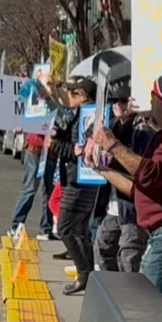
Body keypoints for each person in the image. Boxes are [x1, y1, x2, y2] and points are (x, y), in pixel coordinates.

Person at [90, 72, 162, 305]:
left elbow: (152, 174)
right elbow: (140, 188)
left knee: (152, 311)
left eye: (153, 99)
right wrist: (101, 168)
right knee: (149, 310)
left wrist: (112, 145)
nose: (150, 105)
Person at [92, 85, 154, 273]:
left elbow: (139, 166)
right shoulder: (112, 125)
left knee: (128, 255)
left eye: (123, 101)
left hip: (132, 206)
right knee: (102, 248)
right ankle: (112, 291)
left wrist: (111, 161)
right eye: (114, 101)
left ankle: (129, 297)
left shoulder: (142, 129)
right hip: (113, 203)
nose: (117, 105)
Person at [55, 76, 102, 294]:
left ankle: (84, 271)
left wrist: (55, 145)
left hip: (79, 182)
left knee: (65, 227)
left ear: (82, 95)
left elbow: (80, 153)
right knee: (81, 230)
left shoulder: (89, 116)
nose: (69, 96)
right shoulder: (82, 115)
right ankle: (89, 274)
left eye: (72, 93)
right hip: (78, 180)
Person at [7, 130, 57, 240]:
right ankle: (15, 226)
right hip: (35, 147)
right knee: (30, 189)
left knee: (49, 191)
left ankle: (46, 229)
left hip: (51, 150)